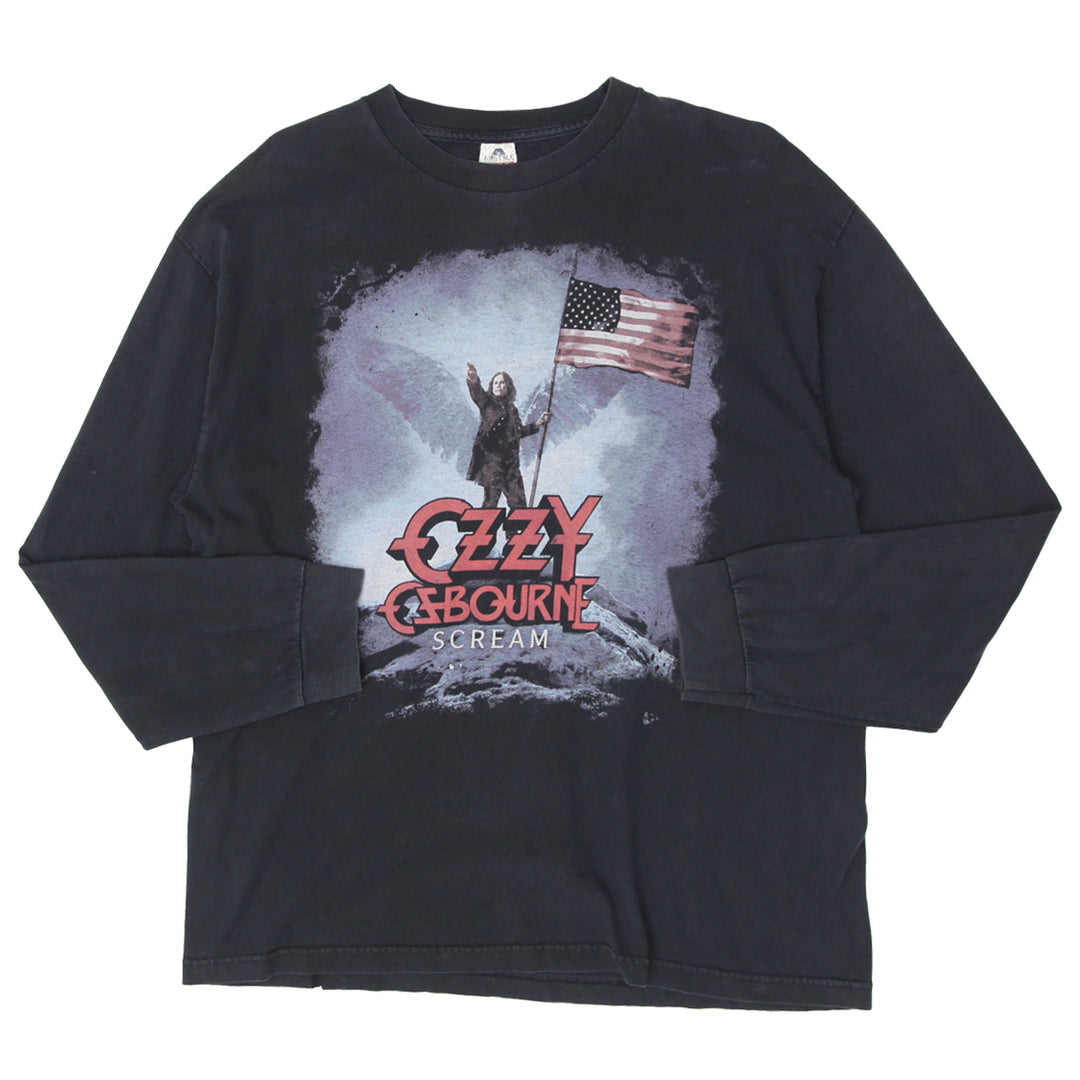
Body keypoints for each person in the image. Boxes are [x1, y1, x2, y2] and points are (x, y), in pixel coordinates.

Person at [465, 362, 551, 511]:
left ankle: (517, 528)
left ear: (508, 387)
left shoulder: (512, 410)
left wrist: (538, 423)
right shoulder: (487, 403)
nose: (498, 386)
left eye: (502, 382)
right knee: (490, 504)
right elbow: (478, 394)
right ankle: (485, 528)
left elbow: (518, 432)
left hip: (511, 465)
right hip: (492, 465)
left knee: (519, 506)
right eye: (495, 383)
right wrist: (473, 381)